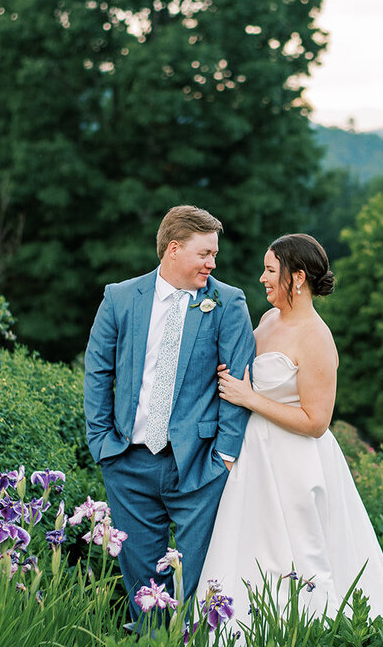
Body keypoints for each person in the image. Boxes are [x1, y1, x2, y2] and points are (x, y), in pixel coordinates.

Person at [201, 233, 383, 634]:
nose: (262, 278)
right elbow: (250, 373)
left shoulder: (317, 338)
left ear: (298, 276)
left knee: (298, 554)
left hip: (295, 463)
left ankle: (303, 641)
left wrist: (248, 397)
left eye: (270, 270)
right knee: (247, 545)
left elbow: (316, 421)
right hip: (254, 455)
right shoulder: (270, 319)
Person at [83, 205, 256, 620]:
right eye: (205, 254)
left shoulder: (228, 302)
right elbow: (97, 370)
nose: (212, 263)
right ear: (173, 249)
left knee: (201, 575)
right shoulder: (121, 298)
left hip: (200, 466)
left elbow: (239, 383)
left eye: (214, 254)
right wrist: (102, 443)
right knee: (142, 580)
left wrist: (226, 456)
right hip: (127, 461)